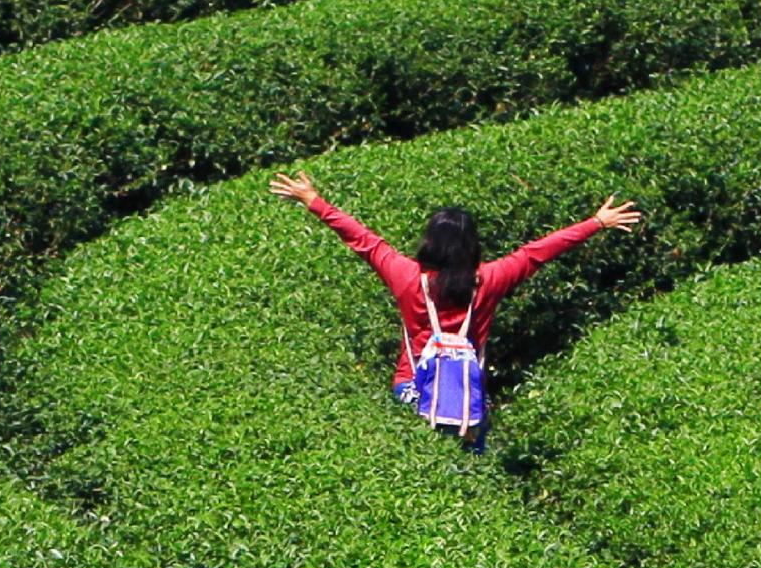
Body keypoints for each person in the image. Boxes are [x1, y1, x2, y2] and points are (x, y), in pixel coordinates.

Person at [272, 171, 642, 450]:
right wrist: (596, 223)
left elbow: (364, 241)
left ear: (429, 242)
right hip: (467, 394)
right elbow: (537, 252)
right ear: (472, 246)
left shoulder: (406, 277)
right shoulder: (491, 279)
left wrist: (314, 200)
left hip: (412, 388)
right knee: (468, 465)